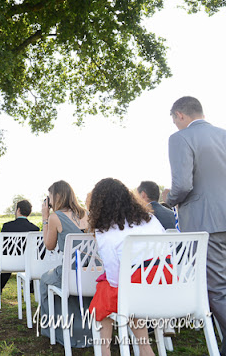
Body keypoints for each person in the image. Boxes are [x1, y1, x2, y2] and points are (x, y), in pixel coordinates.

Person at [164, 96, 226, 353]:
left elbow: (183, 185)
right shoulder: (223, 134)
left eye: (174, 120)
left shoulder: (179, 138)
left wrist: (168, 201)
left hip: (205, 222)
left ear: (179, 114)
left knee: (216, 287)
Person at [88, 178, 163, 356]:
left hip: (136, 288)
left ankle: (104, 350)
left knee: (105, 289)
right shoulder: (150, 219)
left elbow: (115, 279)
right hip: (165, 283)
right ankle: (145, 348)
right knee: (127, 290)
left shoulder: (105, 232)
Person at [39, 180, 93, 348]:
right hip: (91, 273)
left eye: (50, 197)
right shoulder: (87, 214)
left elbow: (49, 245)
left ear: (58, 196)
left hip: (70, 273)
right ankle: (85, 329)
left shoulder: (55, 217)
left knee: (44, 279)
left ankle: (53, 329)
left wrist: (45, 218)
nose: (49, 201)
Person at [0, 200, 39, 291]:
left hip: (8, 263)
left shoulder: (7, 226)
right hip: (27, 263)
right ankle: (31, 286)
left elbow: (1, 247)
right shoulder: (35, 229)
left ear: (18, 210)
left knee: (2, 258)